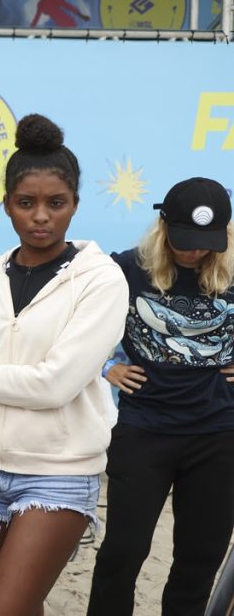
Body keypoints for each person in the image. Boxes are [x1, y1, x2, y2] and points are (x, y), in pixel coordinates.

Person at [0, 114, 128, 616]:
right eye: (26, 203)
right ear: (6, 206)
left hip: (58, 476)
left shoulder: (101, 281)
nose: (40, 216)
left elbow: (54, 385)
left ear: (75, 206)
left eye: (55, 203)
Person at [87, 177, 234, 616]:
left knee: (199, 561)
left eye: (207, 242)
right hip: (143, 430)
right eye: (185, 240)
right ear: (162, 225)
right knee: (121, 554)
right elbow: (72, 324)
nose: (194, 252)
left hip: (220, 436)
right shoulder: (125, 269)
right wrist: (103, 366)